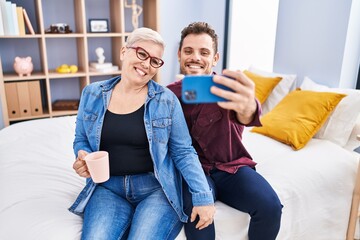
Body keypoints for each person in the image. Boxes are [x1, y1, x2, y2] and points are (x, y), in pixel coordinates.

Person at [69, 27, 215, 240]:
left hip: (156, 189)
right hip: (107, 188)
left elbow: (183, 151)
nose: (146, 64)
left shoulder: (166, 101)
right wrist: (81, 155)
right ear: (123, 52)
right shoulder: (91, 94)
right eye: (141, 53)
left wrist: (203, 197)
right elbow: (81, 139)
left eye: (155, 61)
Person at [167, 22, 283, 240]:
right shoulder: (169, 95)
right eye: (189, 51)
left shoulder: (228, 91)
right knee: (197, 220)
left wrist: (249, 106)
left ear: (215, 58)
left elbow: (247, 113)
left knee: (271, 207)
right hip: (194, 173)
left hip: (232, 167)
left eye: (204, 52)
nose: (195, 57)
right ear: (179, 54)